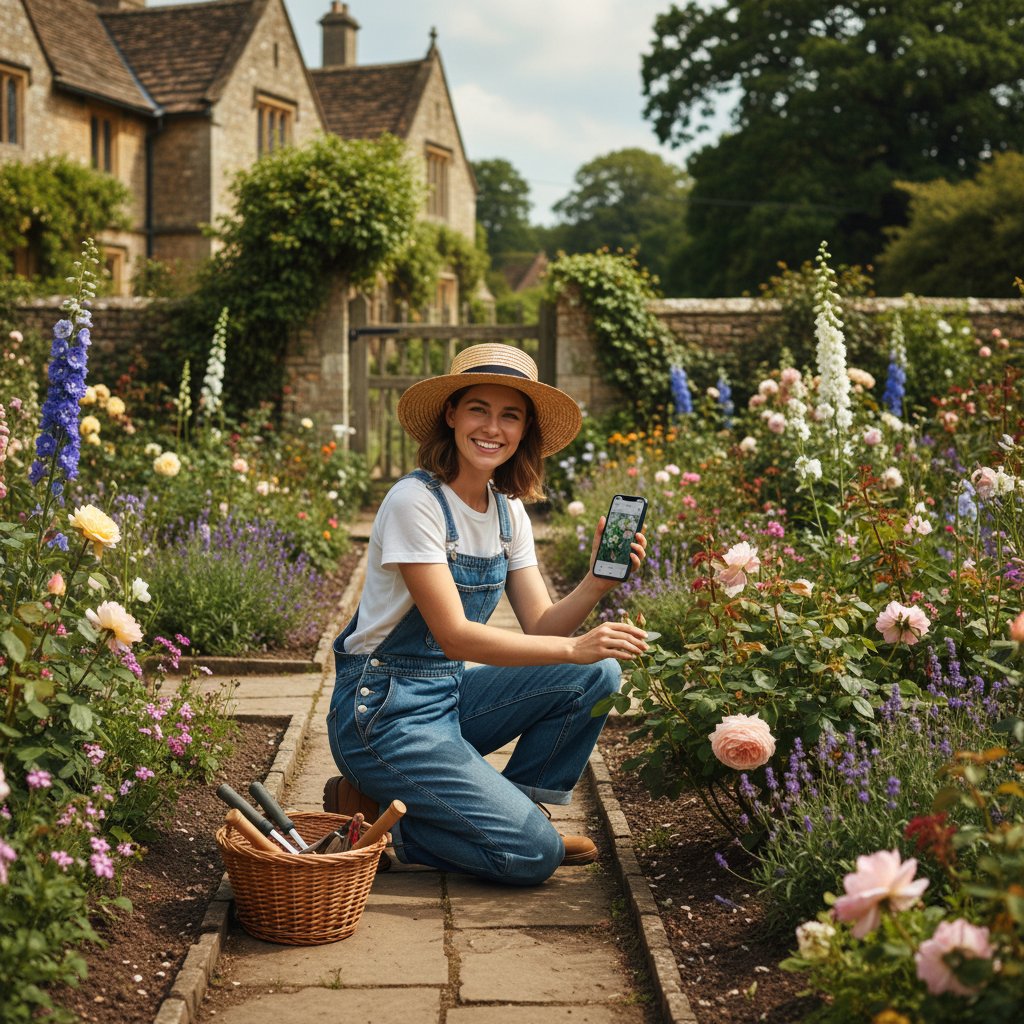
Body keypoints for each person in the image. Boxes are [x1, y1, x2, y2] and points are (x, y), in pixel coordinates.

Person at [324, 343, 647, 885]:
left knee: (599, 673)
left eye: (510, 415)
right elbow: (454, 636)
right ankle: (386, 826)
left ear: (524, 431)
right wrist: (574, 646)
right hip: (380, 713)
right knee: (534, 859)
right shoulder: (414, 502)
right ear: (451, 415)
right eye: (478, 409)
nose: (492, 427)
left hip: (446, 701)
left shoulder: (507, 511)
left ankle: (511, 817)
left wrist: (597, 581)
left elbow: (543, 627)